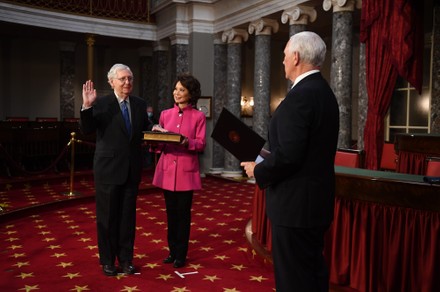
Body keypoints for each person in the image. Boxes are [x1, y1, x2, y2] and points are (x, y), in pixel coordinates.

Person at [240, 31, 340, 291]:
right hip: (314, 202)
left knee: (294, 280)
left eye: (284, 56)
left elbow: (290, 156)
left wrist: (257, 169)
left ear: (295, 57)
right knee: (312, 274)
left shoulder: (301, 96)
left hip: (295, 206)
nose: (283, 61)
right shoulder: (324, 91)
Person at [80, 63, 150, 276]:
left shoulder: (139, 104)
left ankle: (126, 259)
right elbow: (86, 130)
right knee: (107, 218)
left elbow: (143, 131)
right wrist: (86, 107)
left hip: (131, 169)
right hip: (108, 169)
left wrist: (154, 129)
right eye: (122, 79)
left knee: (128, 218)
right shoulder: (100, 104)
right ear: (111, 82)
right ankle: (108, 261)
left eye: (130, 78)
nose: (127, 82)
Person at [151, 73, 206, 268]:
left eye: (181, 90)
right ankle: (172, 251)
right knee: (170, 214)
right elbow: (159, 147)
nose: (177, 93)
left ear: (191, 93)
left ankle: (181, 254)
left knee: (183, 215)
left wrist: (185, 142)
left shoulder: (199, 116)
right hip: (167, 170)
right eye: (175, 89)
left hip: (185, 172)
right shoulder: (165, 114)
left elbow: (200, 144)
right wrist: (155, 139)